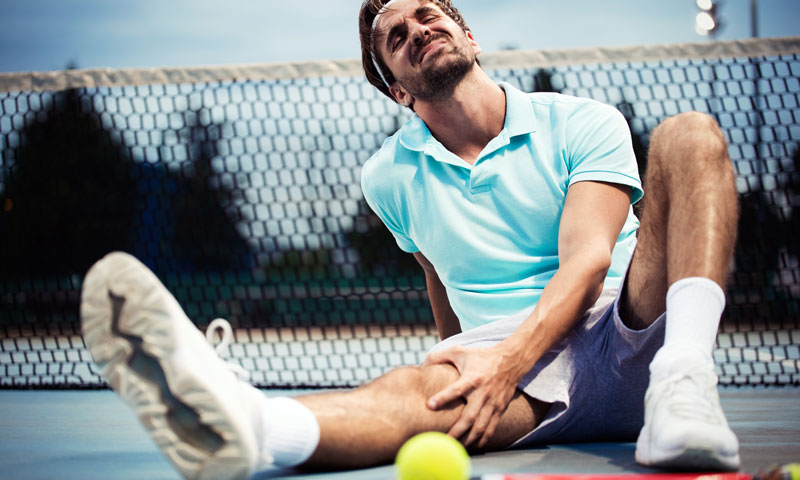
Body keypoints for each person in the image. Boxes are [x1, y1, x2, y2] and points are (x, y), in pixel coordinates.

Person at [79, 0, 742, 478]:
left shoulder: (582, 121)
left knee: (690, 133)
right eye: (395, 35)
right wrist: (455, 360)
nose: (417, 29)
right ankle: (247, 428)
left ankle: (687, 385)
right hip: (520, 377)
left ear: (467, 34)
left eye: (430, 14)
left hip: (628, 327)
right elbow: (437, 269)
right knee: (405, 391)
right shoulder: (387, 177)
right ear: (397, 87)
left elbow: (590, 262)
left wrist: (504, 361)